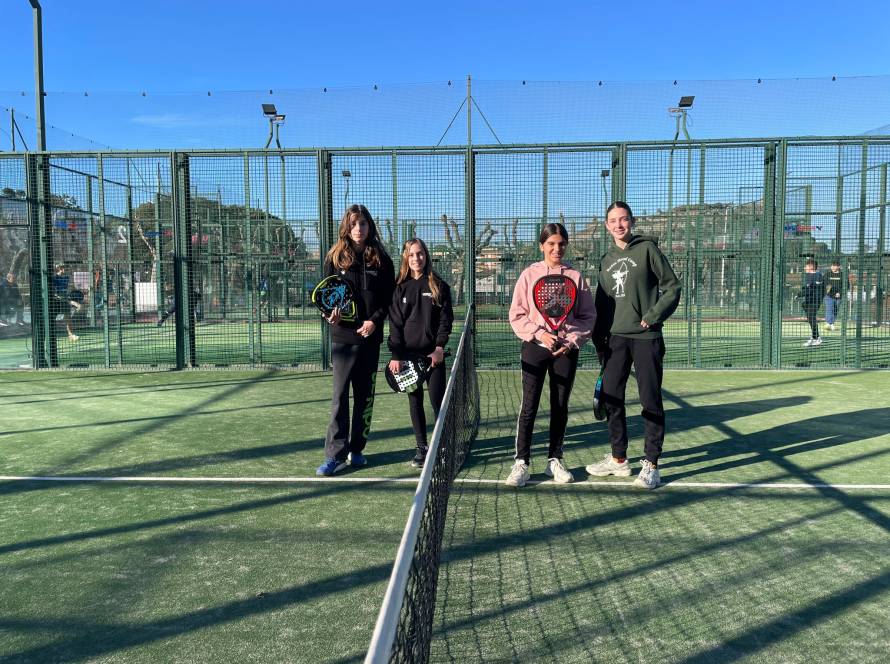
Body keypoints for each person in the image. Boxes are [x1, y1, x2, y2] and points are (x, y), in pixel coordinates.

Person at [586, 202, 681, 490]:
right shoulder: (606, 260)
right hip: (615, 339)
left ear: (632, 221)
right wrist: (599, 339)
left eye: (624, 219)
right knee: (612, 399)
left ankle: (651, 464)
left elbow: (672, 287)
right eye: (613, 220)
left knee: (650, 400)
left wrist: (652, 316)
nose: (619, 225)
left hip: (645, 338)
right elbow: (603, 303)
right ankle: (618, 459)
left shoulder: (647, 249)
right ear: (607, 226)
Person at [505, 222, 596, 487]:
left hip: (565, 350)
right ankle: (521, 462)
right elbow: (517, 314)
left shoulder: (575, 277)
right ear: (542, 246)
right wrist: (539, 334)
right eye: (551, 244)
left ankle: (555, 460)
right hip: (535, 347)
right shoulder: (529, 275)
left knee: (560, 405)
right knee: (529, 406)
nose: (557, 249)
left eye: (562, 244)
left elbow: (587, 316)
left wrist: (571, 340)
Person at [317, 204, 395, 476]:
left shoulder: (382, 259)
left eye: (362, 223)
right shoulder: (334, 257)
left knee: (365, 397)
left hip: (370, 338)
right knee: (340, 396)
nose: (358, 229)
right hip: (343, 337)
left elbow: (388, 299)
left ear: (369, 226)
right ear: (346, 227)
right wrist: (330, 314)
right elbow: (327, 295)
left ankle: (357, 449)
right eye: (353, 224)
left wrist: (374, 321)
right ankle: (335, 455)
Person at [387, 238, 454, 468]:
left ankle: (443, 446)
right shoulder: (399, 287)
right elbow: (395, 325)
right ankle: (422, 447)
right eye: (412, 254)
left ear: (426, 255)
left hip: (433, 357)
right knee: (415, 402)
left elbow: (445, 321)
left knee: (438, 403)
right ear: (406, 257)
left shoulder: (439, 286)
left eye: (420, 253)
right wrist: (396, 355)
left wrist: (439, 349)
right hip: (408, 359)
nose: (417, 258)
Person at [51, 263, 80, 342]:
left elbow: (69, 288)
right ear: (59, 268)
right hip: (56, 301)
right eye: (63, 267)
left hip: (64, 300)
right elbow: (52, 289)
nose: (66, 269)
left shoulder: (67, 278)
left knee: (68, 317)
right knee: (52, 318)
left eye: (66, 267)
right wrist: (56, 296)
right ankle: (50, 335)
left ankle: (71, 335)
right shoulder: (55, 277)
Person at [800, 258, 825, 347]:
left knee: (811, 317)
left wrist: (801, 294)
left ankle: (816, 338)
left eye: (806, 266)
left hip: (815, 300)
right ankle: (815, 337)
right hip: (809, 300)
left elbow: (814, 288)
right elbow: (807, 288)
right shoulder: (807, 275)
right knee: (810, 318)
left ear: (811, 267)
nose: (805, 268)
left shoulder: (818, 275)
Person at [823, 258, 844, 331]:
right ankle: (829, 324)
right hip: (829, 296)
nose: (833, 267)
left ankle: (831, 324)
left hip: (839, 296)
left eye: (835, 266)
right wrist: (832, 292)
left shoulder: (842, 275)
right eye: (832, 265)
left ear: (839, 266)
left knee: (835, 310)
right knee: (829, 309)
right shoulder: (827, 274)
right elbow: (825, 285)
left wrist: (839, 293)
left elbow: (846, 286)